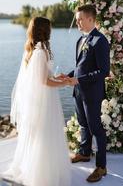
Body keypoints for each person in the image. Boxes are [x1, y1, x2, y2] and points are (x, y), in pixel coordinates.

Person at [2, 17, 75, 186]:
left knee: (42, 133)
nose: (51, 30)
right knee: (45, 133)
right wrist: (65, 83)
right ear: (44, 30)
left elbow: (43, 76)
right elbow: (44, 82)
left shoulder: (35, 49)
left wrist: (58, 77)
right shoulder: (40, 52)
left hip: (42, 98)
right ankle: (41, 173)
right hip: (45, 100)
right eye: (49, 27)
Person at [67, 4, 110, 182]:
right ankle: (84, 153)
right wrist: (68, 76)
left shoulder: (100, 41)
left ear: (91, 19)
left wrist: (79, 80)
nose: (77, 22)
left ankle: (101, 167)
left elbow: (104, 71)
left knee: (96, 129)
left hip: (92, 93)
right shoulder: (81, 40)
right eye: (77, 19)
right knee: (83, 124)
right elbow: (80, 67)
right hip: (79, 91)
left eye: (80, 19)